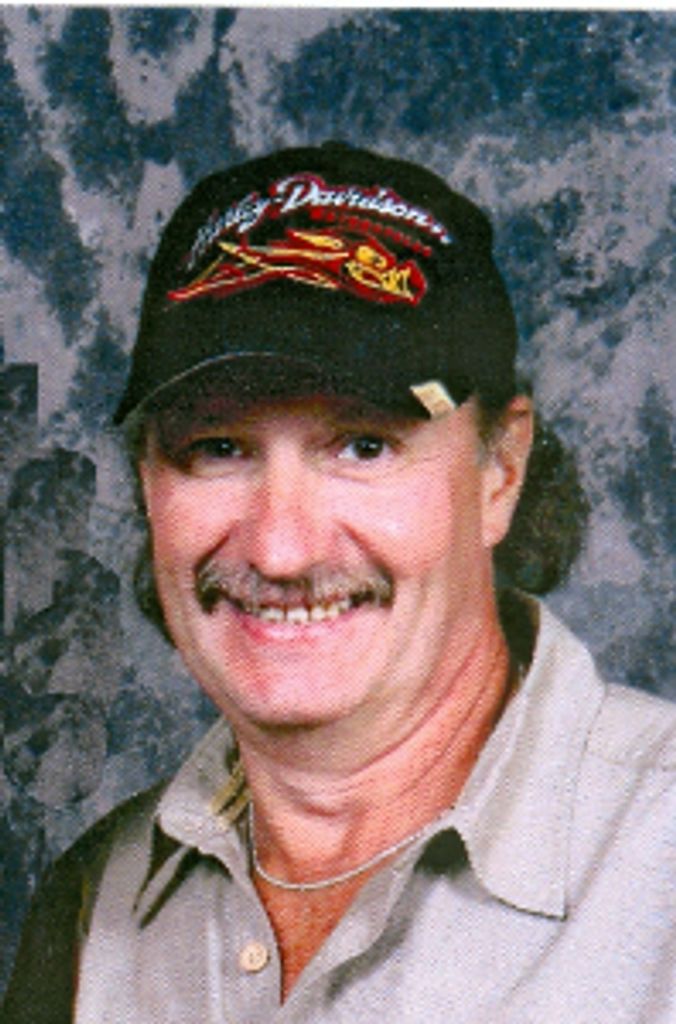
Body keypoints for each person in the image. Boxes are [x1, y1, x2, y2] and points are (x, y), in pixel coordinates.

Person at [3, 142, 674, 1024]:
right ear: (146, 483)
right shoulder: (96, 910)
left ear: (500, 471)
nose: (281, 550)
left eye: (364, 445)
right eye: (218, 448)